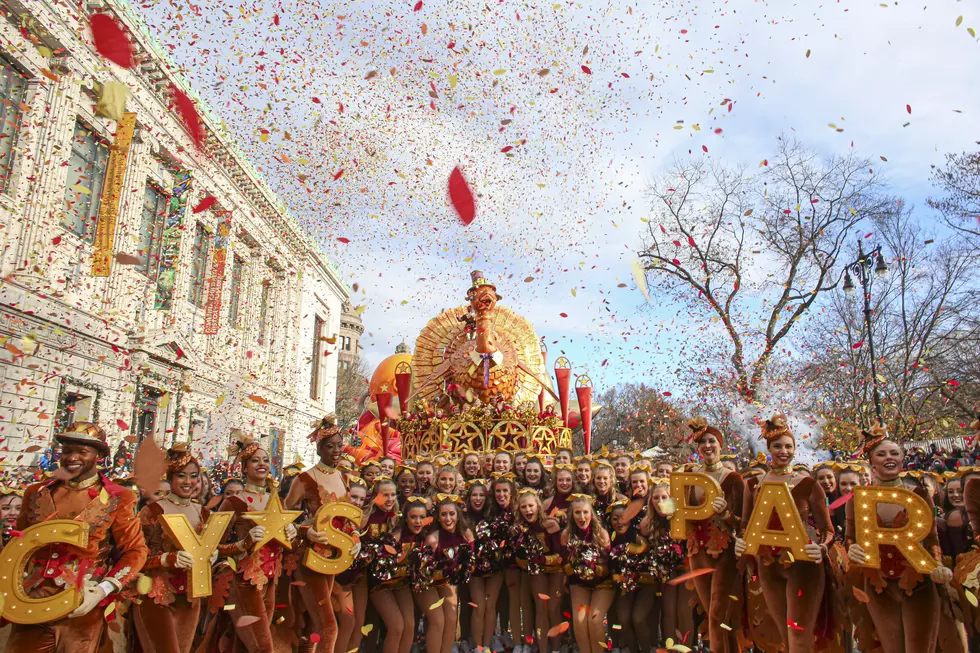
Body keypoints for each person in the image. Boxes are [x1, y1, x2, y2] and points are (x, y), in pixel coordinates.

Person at [7, 422, 148, 653]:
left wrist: (103, 589)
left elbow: (135, 551)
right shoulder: (36, 492)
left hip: (83, 605)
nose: (73, 457)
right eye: (67, 451)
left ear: (98, 456)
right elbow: (18, 542)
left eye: (82, 452)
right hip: (31, 601)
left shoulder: (119, 497)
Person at [846, 426, 952, 653]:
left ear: (903, 459)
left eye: (894, 453)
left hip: (920, 583)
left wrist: (937, 564)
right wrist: (851, 549)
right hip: (878, 585)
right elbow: (850, 539)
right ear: (871, 461)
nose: (889, 458)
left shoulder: (919, 495)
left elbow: (932, 538)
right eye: (882, 454)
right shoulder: (856, 500)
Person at [735, 414, 834, 653]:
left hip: (803, 565)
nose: (784, 451)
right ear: (768, 448)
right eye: (778, 446)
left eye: (789, 446)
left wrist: (821, 547)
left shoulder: (808, 483)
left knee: (799, 636)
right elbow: (745, 526)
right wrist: (740, 541)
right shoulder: (754, 484)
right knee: (785, 638)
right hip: (768, 565)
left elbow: (827, 530)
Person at [211, 433, 298, 652]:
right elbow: (211, 547)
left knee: (243, 645)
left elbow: (285, 545)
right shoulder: (233, 502)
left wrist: (291, 532)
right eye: (255, 460)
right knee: (263, 647)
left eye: (265, 460)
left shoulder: (275, 501)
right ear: (244, 467)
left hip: (270, 581)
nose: (261, 464)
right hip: (244, 581)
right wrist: (244, 543)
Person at [133, 443, 217, 653]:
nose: (188, 482)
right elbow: (134, 555)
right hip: (158, 595)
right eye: (181, 475)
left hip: (191, 598)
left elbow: (217, 548)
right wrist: (165, 559)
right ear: (170, 478)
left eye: (193, 476)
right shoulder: (152, 510)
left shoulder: (203, 512)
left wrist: (215, 553)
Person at [284, 414, 350, 653]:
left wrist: (355, 540)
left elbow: (348, 517)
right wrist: (305, 532)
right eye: (329, 446)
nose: (335, 451)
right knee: (328, 625)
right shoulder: (304, 479)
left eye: (339, 446)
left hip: (333, 556)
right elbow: (283, 518)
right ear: (319, 447)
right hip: (308, 557)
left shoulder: (344, 477)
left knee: (312, 625)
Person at [686, 418, 745, 653]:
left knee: (717, 616)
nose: (707, 446)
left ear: (721, 445)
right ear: (697, 448)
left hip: (723, 553)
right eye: (702, 442)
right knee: (717, 616)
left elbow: (743, 523)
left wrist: (727, 514)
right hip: (696, 552)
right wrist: (666, 509)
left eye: (712, 441)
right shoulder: (688, 476)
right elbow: (676, 509)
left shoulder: (733, 480)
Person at [413, 494, 474, 653]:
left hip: (447, 581)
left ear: (458, 515)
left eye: (452, 514)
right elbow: (421, 573)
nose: (448, 518)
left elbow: (468, 563)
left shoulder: (464, 536)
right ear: (438, 518)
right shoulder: (432, 540)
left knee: (452, 619)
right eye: (443, 514)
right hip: (426, 584)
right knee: (438, 620)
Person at [562, 494, 615, 653]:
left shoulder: (602, 534)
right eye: (577, 512)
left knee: (595, 620)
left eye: (585, 512)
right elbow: (564, 563)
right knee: (579, 621)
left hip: (603, 583)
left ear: (591, 514)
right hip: (579, 583)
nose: (582, 516)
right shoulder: (566, 535)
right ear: (572, 515)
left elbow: (610, 565)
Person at [513, 487, 563, 653]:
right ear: (519, 510)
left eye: (531, 506)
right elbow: (520, 560)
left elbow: (561, 555)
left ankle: (556, 649)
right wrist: (525, 558)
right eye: (524, 507)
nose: (528, 510)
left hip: (556, 570)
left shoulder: (550, 524)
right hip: (537, 572)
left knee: (553, 609)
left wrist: (543, 559)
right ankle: (543, 649)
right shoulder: (520, 530)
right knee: (541, 609)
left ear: (538, 507)